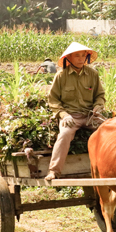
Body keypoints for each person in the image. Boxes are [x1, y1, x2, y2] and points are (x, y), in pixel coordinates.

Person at [45, 42, 105, 181]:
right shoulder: (61, 76)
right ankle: (54, 171)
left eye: (83, 55)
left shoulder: (93, 74)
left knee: (110, 129)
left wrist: (98, 107)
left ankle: (113, 167)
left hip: (91, 115)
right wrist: (64, 115)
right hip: (71, 116)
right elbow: (53, 100)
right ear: (69, 58)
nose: (80, 58)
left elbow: (100, 96)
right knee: (64, 135)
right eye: (77, 56)